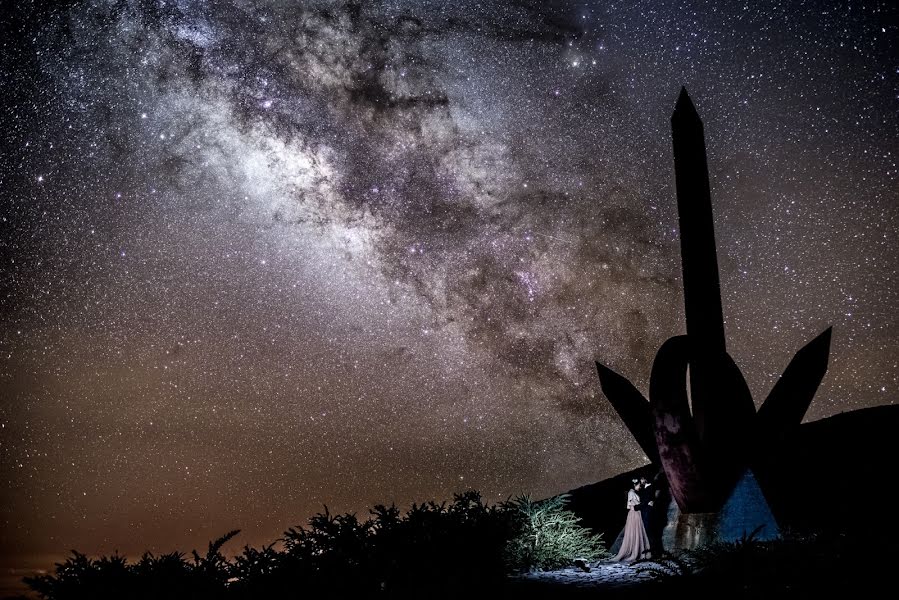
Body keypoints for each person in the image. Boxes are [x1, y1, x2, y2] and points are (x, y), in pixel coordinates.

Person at [612, 478, 651, 562]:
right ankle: (635, 551)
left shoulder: (634, 492)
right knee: (634, 532)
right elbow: (633, 506)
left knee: (637, 532)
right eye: (638, 485)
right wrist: (646, 503)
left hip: (636, 514)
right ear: (634, 485)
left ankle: (638, 551)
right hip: (634, 514)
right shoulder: (631, 493)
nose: (639, 487)